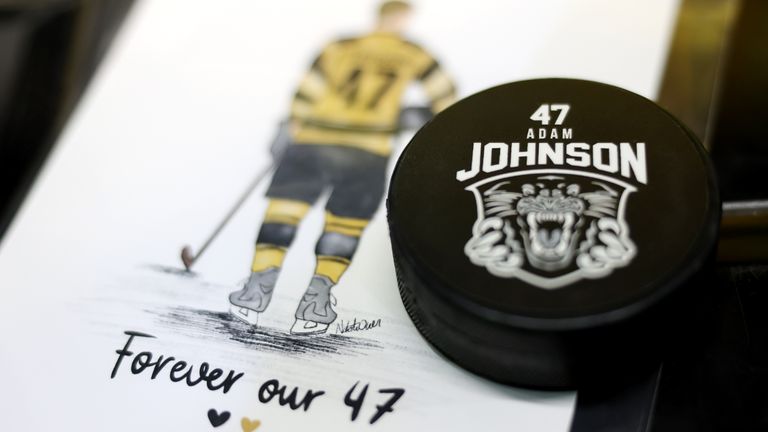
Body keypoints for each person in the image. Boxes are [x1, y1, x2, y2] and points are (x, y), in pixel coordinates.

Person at [228, 0, 456, 335]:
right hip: (367, 147)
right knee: (345, 225)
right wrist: (414, 116)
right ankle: (315, 303)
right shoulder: (415, 53)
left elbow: (308, 89)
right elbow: (446, 95)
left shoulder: (340, 45)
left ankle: (255, 292)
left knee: (283, 213)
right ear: (402, 18)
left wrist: (290, 124)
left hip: (315, 139)